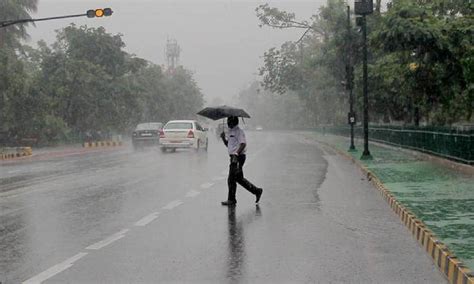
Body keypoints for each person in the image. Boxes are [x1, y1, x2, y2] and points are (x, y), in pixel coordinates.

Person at [220, 116, 263, 206]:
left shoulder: (239, 132)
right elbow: (229, 145)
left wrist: (236, 154)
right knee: (239, 179)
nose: (228, 123)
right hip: (233, 157)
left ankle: (231, 199)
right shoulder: (231, 131)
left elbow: (243, 144)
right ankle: (257, 191)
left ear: (234, 122)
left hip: (238, 157)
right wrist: (224, 138)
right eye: (227, 121)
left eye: (229, 121)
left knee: (231, 179)